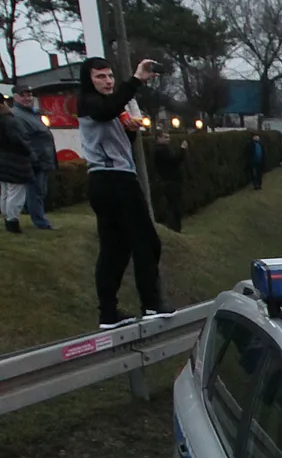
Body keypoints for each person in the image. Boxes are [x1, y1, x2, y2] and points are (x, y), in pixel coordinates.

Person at [77, 56, 170, 328]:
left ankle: (108, 313)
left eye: (109, 76)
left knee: (115, 249)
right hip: (113, 180)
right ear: (88, 80)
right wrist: (136, 80)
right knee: (147, 241)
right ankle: (151, 303)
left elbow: (116, 131)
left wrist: (132, 128)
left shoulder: (110, 106)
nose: (107, 82)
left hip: (110, 180)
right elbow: (104, 110)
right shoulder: (88, 102)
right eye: (100, 77)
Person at [11, 87, 56, 230]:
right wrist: (34, 158)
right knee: (36, 192)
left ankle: (37, 217)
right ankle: (40, 222)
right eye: (23, 95)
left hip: (42, 158)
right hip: (34, 160)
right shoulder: (17, 115)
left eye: (29, 95)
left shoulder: (31, 114)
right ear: (15, 97)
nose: (27, 98)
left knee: (40, 191)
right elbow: (24, 140)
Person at [0, 95, 33, 235]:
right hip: (15, 160)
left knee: (5, 192)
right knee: (16, 193)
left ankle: (7, 219)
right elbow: (17, 140)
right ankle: (13, 221)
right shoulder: (8, 120)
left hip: (2, 160)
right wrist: (28, 151)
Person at [153, 131, 188, 232]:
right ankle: (174, 228)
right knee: (174, 207)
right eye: (165, 137)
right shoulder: (160, 151)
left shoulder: (163, 149)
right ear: (158, 138)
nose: (168, 139)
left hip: (171, 181)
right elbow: (175, 161)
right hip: (170, 182)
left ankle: (175, 227)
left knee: (174, 206)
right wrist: (182, 149)